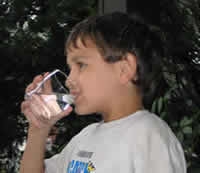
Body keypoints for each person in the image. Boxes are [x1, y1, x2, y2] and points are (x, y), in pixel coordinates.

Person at [20, 12, 186, 173]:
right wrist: (38, 130)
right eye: (70, 69)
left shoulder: (149, 136)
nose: (68, 80)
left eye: (81, 65)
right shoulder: (84, 138)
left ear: (124, 69)